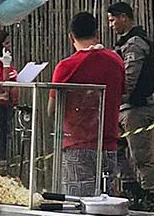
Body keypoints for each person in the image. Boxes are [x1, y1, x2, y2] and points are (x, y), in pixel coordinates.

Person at [51, 12, 125, 197]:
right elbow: (122, 94)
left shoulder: (66, 66)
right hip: (108, 144)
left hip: (78, 144)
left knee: (78, 205)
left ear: (71, 37)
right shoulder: (116, 61)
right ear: (97, 33)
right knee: (104, 204)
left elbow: (52, 109)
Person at [108, 1, 154, 209]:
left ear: (123, 17)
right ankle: (131, 188)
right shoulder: (122, 43)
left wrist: (115, 99)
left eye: (113, 20)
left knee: (140, 155)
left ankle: (150, 196)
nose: (111, 25)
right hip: (123, 108)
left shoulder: (135, 43)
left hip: (136, 107)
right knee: (116, 150)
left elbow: (129, 79)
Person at [0, 30, 18, 161]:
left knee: (6, 140)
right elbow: (3, 87)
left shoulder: (5, 61)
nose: (9, 46)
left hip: (9, 107)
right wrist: (6, 67)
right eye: (6, 43)